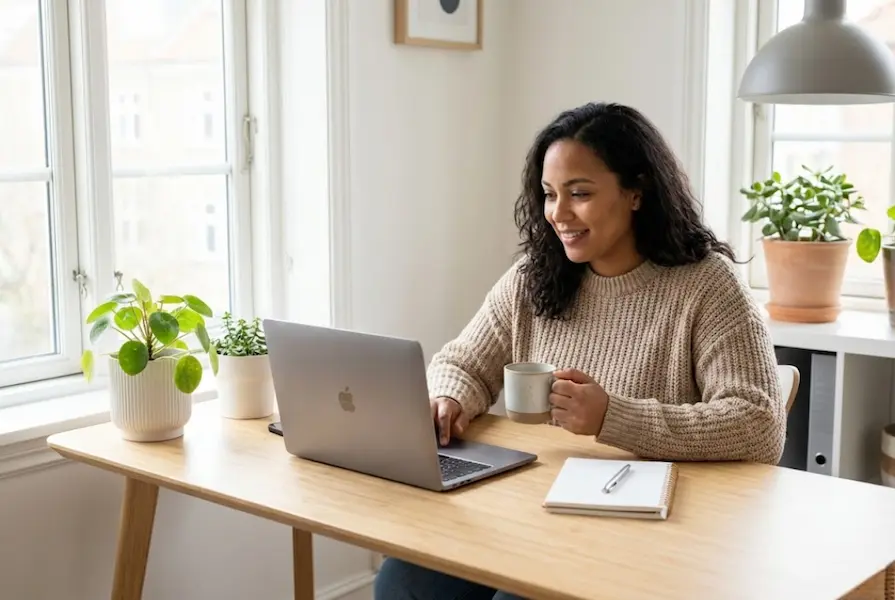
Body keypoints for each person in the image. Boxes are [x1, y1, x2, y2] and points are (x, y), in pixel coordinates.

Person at [373, 102, 786, 600]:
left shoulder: (705, 286)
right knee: (402, 579)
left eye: (580, 194)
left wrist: (615, 416)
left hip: (642, 533)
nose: (558, 214)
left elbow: (759, 425)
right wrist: (450, 397)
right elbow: (463, 361)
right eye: (549, 195)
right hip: (530, 511)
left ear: (636, 192)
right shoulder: (536, 276)